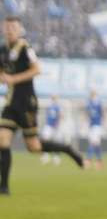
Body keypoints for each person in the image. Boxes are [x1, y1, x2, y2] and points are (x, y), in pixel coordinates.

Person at [0, 16, 83, 194]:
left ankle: (67, 149)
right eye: (7, 27)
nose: (10, 30)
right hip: (10, 104)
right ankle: (4, 187)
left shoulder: (25, 48)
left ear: (19, 30)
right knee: (2, 139)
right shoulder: (2, 49)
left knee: (34, 147)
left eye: (13, 28)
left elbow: (37, 69)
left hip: (26, 103)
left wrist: (13, 79)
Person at [39, 95, 63, 165]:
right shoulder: (49, 106)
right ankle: (45, 155)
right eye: (53, 98)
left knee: (56, 141)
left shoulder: (58, 107)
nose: (54, 99)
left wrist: (57, 123)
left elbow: (60, 116)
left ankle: (56, 157)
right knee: (45, 140)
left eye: (55, 98)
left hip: (55, 126)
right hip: (48, 125)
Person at [84, 90, 104, 170]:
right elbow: (87, 113)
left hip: (97, 126)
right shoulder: (89, 103)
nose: (92, 95)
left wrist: (104, 122)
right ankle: (99, 161)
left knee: (93, 143)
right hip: (92, 126)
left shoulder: (98, 103)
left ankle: (88, 160)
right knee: (97, 144)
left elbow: (102, 112)